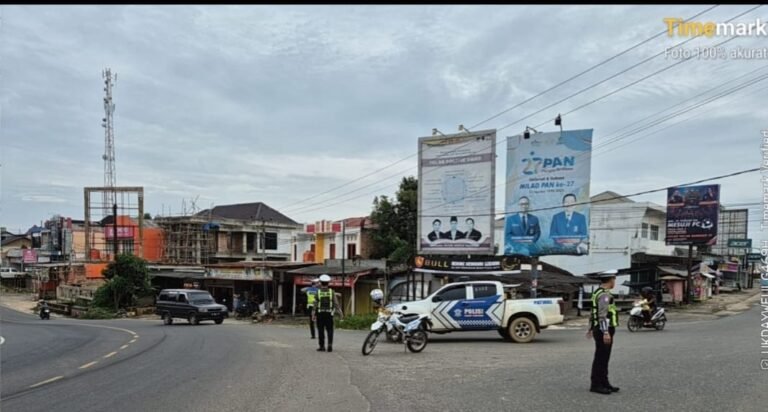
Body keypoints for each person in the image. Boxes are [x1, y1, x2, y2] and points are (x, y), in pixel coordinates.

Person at [587, 270, 620, 395]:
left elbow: (592, 312)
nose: (614, 282)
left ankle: (604, 382)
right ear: (610, 280)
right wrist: (606, 332)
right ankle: (596, 384)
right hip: (604, 329)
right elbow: (602, 315)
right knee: (601, 357)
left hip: (599, 328)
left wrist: (590, 328)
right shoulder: (604, 295)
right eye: (614, 279)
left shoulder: (597, 292)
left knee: (603, 357)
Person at [312, 274, 343, 352]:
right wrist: (340, 313)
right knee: (330, 330)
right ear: (328, 283)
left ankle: (322, 346)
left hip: (320, 314)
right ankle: (330, 345)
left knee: (320, 330)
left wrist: (313, 314)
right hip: (329, 314)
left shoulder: (318, 292)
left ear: (321, 283)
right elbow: (336, 304)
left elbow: (315, 304)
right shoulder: (331, 292)